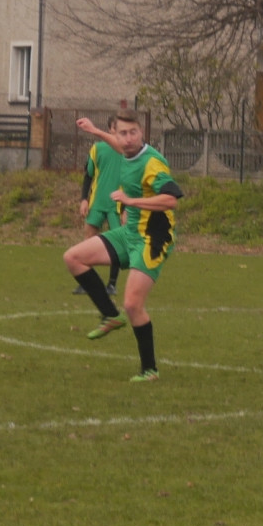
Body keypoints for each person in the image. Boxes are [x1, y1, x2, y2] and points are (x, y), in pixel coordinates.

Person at [63, 109, 183, 382]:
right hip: (129, 232)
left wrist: (131, 202)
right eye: (122, 133)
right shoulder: (125, 149)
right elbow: (117, 144)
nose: (127, 139)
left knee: (132, 305)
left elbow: (171, 199)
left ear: (142, 133)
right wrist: (95, 131)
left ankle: (149, 369)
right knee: (73, 257)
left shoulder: (152, 163)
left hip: (152, 238)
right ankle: (109, 315)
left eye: (133, 133)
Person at [72, 117, 123, 295]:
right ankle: (87, 283)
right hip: (97, 202)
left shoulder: (127, 151)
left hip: (117, 205)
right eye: (118, 128)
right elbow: (88, 175)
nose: (121, 133)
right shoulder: (98, 149)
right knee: (88, 239)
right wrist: (83, 199)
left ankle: (112, 284)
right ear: (110, 129)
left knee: (117, 243)